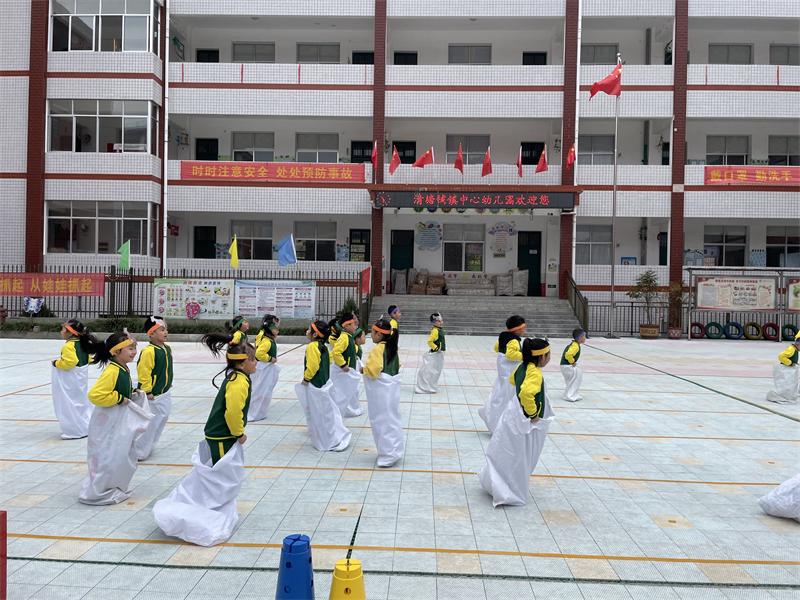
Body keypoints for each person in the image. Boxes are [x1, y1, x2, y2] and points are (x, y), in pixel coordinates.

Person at [479, 337, 555, 507]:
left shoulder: (522, 366)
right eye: (548, 355)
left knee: (509, 451)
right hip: (524, 420)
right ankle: (509, 489)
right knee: (520, 455)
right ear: (541, 357)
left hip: (513, 415)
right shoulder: (534, 372)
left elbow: (513, 380)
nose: (549, 358)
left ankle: (498, 481)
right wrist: (533, 414)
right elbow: (527, 393)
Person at [79, 331, 152, 505]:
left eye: (134, 348)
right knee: (108, 455)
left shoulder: (122, 368)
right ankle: (100, 490)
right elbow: (95, 395)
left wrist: (131, 392)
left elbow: (117, 388)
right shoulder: (113, 371)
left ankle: (110, 485)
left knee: (118, 454)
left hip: (116, 420)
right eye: (130, 348)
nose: (134, 352)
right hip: (108, 421)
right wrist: (119, 398)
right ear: (116, 352)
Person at [295, 320, 352, 452]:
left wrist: (306, 379)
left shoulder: (312, 346)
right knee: (326, 413)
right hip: (324, 384)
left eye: (310, 330)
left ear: (315, 334)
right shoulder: (323, 346)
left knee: (319, 414)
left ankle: (326, 440)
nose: (307, 332)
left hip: (316, 385)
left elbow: (313, 366)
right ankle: (328, 436)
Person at [199, 334, 257, 464]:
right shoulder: (239, 382)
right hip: (221, 436)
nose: (256, 362)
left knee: (225, 471)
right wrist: (239, 434)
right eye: (252, 359)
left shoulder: (238, 377)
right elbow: (233, 412)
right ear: (241, 365)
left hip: (224, 435)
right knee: (221, 471)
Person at [362, 318, 404, 467]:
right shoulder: (392, 348)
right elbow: (397, 366)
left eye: (373, 332)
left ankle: (387, 455)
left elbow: (373, 371)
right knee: (392, 420)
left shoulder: (378, 349)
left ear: (379, 334)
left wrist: (363, 369)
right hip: (392, 391)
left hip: (382, 393)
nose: (371, 335)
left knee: (381, 421)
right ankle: (395, 450)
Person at [478, 315, 526, 433]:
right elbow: (511, 354)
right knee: (506, 397)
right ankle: (498, 422)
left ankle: (493, 417)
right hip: (509, 371)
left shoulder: (503, 336)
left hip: (503, 371)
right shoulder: (514, 340)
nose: (524, 330)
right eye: (522, 328)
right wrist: (525, 355)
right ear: (517, 329)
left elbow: (496, 348)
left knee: (500, 393)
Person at [135, 316, 173, 460]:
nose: (165, 332)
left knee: (161, 420)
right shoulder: (149, 351)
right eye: (161, 330)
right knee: (150, 424)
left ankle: (149, 446)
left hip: (164, 393)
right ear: (151, 333)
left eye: (165, 329)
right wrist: (148, 391)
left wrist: (168, 383)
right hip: (153, 396)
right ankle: (139, 450)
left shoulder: (166, 348)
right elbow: (144, 372)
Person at [51, 319, 97, 439]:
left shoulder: (68, 346)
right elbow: (89, 359)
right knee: (81, 402)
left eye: (63, 329)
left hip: (71, 380)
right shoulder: (82, 343)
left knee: (70, 403)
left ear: (70, 332)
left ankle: (75, 430)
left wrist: (56, 363)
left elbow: (70, 362)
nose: (61, 332)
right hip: (81, 378)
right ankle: (84, 426)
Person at [330, 312, 364, 417]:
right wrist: (343, 365)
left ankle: (351, 408)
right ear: (347, 325)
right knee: (344, 392)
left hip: (349, 370)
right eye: (354, 324)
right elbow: (336, 352)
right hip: (344, 371)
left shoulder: (349, 337)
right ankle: (344, 409)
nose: (356, 326)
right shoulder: (344, 337)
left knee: (351, 391)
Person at [249, 314, 280, 422]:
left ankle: (260, 412)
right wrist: (270, 358)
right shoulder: (266, 340)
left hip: (265, 367)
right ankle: (254, 413)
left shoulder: (268, 339)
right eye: (275, 327)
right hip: (263, 367)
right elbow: (259, 353)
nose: (278, 329)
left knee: (264, 390)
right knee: (259, 390)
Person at [415, 312, 445, 394]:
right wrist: (436, 348)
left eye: (441, 320)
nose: (441, 322)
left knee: (436, 370)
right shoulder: (435, 331)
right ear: (434, 322)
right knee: (431, 370)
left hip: (439, 353)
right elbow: (429, 341)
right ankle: (426, 387)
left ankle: (431, 386)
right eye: (439, 321)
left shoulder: (439, 330)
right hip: (435, 353)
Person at [766, 331, 800, 404]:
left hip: (790, 368)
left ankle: (789, 395)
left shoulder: (795, 349)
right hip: (786, 369)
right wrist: (790, 363)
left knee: (792, 383)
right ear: (798, 344)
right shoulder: (791, 349)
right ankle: (784, 395)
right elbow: (781, 356)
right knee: (786, 383)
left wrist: (795, 363)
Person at [560, 328, 587, 403]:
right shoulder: (575, 346)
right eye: (584, 336)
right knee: (575, 379)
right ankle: (570, 396)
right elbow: (568, 355)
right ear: (580, 338)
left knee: (572, 380)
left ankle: (570, 394)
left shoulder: (575, 344)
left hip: (564, 366)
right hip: (567, 366)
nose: (585, 338)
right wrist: (572, 362)